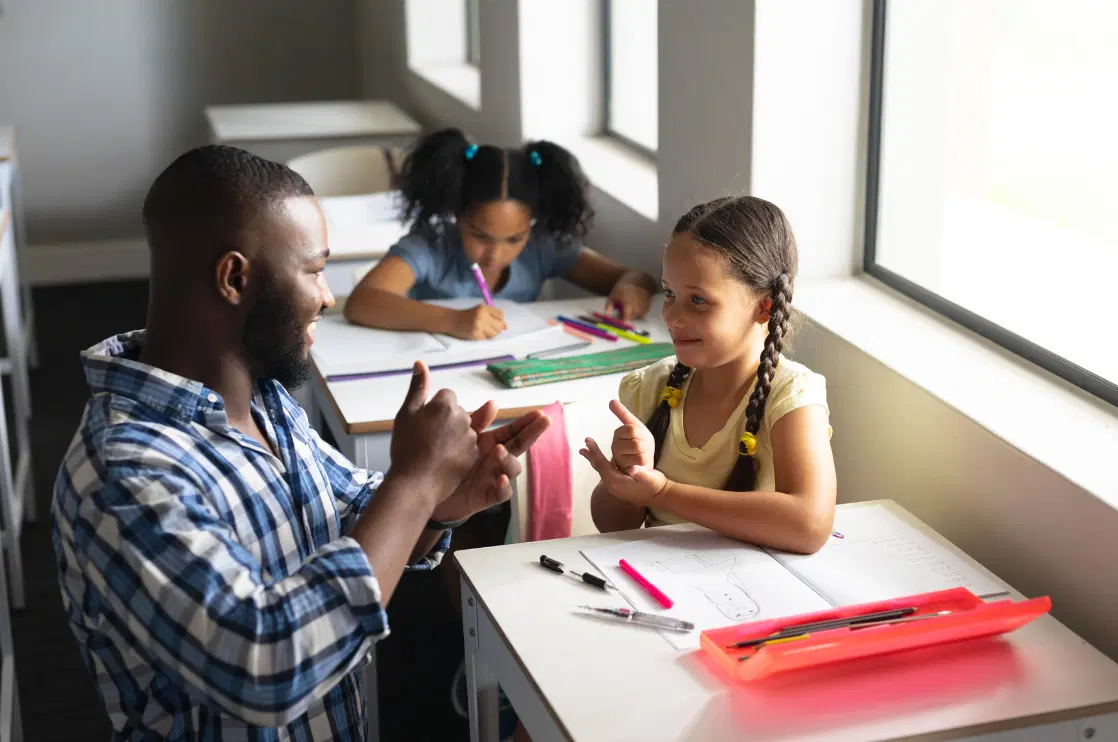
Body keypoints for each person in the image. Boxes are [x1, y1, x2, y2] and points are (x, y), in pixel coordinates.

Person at [50, 144, 550, 741]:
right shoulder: (124, 474)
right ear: (235, 278)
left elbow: (346, 513)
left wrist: (442, 497)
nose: (328, 296)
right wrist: (414, 484)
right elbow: (270, 668)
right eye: (314, 271)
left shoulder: (263, 397)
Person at [584, 196, 838, 554]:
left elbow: (809, 525)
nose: (672, 316)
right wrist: (628, 476)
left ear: (764, 307)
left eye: (698, 300)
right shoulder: (652, 388)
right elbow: (611, 523)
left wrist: (663, 492)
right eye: (669, 293)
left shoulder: (791, 397)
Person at [344, 128, 658, 338]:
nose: (497, 254)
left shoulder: (541, 247)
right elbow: (362, 302)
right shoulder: (431, 245)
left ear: (531, 225)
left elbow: (633, 276)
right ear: (458, 215)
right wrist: (451, 320)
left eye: (514, 239)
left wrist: (632, 288)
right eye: (480, 236)